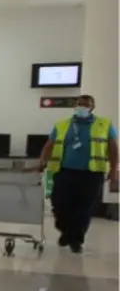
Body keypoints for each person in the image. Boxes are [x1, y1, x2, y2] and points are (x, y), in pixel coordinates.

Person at [38, 94, 118, 253]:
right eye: (80, 104)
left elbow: (113, 149)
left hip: (92, 173)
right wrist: (42, 162)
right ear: (75, 106)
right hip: (65, 172)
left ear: (92, 107)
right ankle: (66, 231)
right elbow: (49, 145)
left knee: (83, 208)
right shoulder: (62, 125)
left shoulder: (104, 124)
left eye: (87, 104)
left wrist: (113, 170)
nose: (83, 107)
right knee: (59, 204)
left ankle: (76, 240)